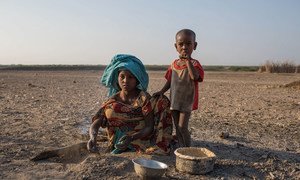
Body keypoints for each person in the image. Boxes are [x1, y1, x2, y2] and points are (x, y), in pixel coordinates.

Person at [87, 54, 173, 155]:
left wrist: (132, 137)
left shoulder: (143, 98)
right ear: (117, 78)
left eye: (130, 77)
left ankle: (158, 143)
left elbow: (149, 127)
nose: (125, 81)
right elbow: (97, 122)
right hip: (118, 141)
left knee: (162, 100)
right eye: (122, 77)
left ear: (137, 80)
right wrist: (92, 138)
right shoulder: (112, 102)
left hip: (140, 139)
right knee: (112, 109)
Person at [153, 29, 204, 147]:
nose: (184, 47)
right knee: (177, 126)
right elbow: (170, 81)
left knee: (182, 127)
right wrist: (161, 91)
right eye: (181, 44)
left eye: (188, 44)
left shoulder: (195, 64)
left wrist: (188, 61)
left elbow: (194, 77)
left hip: (187, 102)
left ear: (194, 46)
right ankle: (181, 147)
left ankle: (188, 148)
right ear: (176, 46)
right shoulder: (174, 64)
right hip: (175, 100)